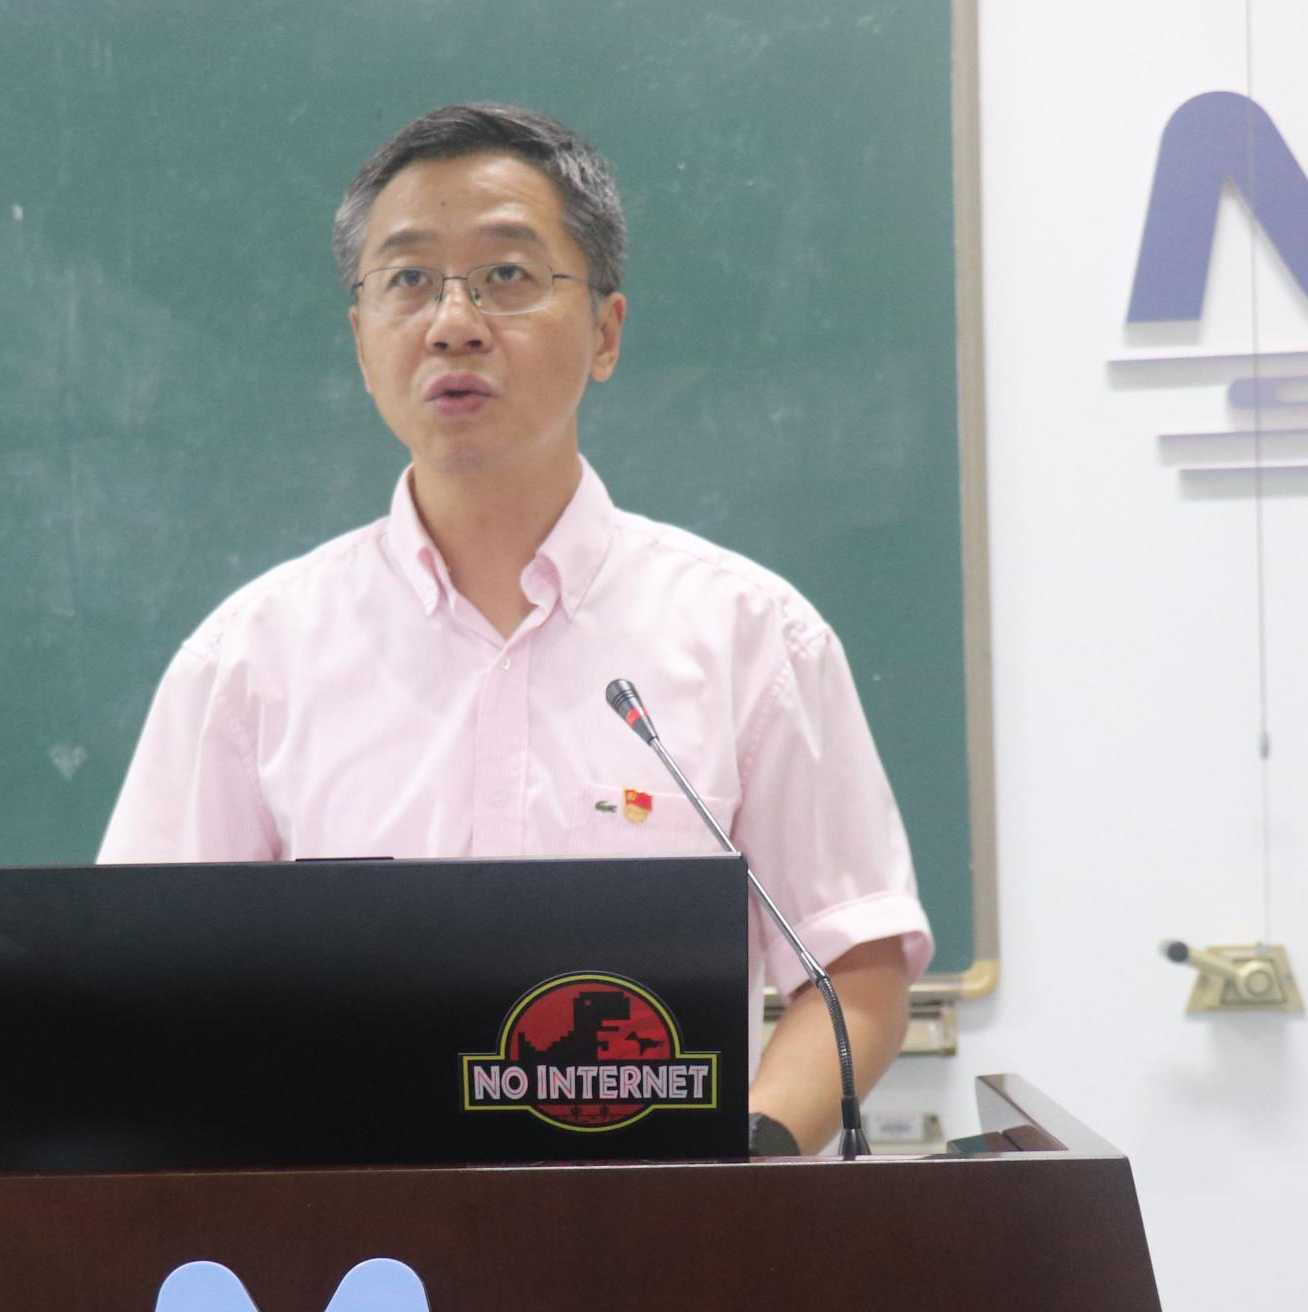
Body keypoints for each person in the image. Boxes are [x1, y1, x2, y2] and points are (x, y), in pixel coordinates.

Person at [99, 103, 930, 1155]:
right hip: (348, 1239)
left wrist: (744, 1167)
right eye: (407, 280)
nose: (452, 323)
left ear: (606, 333)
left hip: (661, 1225)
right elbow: (136, 988)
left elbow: (853, 968)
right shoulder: (249, 660)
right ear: (360, 342)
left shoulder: (752, 639)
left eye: (506, 274)